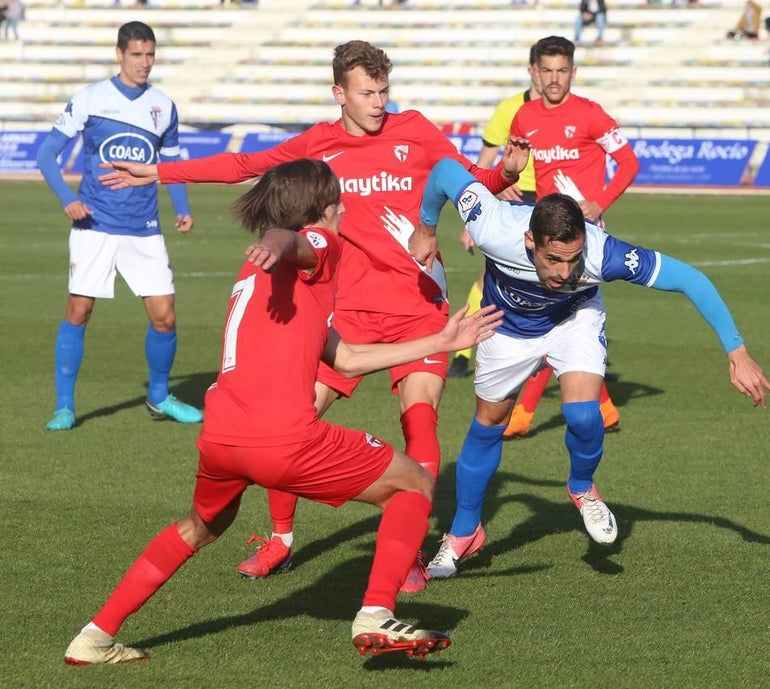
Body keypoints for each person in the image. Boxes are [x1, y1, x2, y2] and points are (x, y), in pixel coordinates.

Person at [99, 40, 526, 589]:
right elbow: (243, 165)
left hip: (419, 304)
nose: (378, 102)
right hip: (346, 310)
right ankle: (281, 538)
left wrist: (507, 174)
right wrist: (160, 173)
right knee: (296, 418)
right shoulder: (317, 145)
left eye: (383, 91)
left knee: (420, 418)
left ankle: (412, 551)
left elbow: (472, 182)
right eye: (366, 92)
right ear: (338, 94)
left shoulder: (415, 129)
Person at [62, 159, 504, 666]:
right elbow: (296, 241)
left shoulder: (256, 274)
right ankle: (377, 613)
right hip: (283, 440)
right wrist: (278, 240)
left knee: (198, 528)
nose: (343, 206)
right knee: (414, 484)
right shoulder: (318, 244)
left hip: (222, 440)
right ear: (320, 208)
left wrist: (441, 340)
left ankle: (95, 636)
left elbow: (347, 357)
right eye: (336, 198)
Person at [413, 159, 770, 578]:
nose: (566, 272)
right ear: (530, 240)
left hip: (574, 321)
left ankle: (582, 488)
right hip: (506, 326)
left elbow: (690, 279)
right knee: (488, 424)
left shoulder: (603, 254)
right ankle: (464, 533)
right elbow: (443, 171)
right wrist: (426, 228)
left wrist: (737, 351)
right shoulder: (492, 224)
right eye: (554, 259)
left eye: (574, 260)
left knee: (584, 414)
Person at [35, 22, 201, 433]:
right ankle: (65, 407)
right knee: (79, 310)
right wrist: (67, 199)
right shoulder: (92, 98)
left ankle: (159, 396)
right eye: (137, 55)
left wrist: (181, 206)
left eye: (150, 55)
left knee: (165, 317)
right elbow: (46, 154)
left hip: (144, 227)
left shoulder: (163, 106)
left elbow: (172, 166)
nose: (144, 63)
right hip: (95, 225)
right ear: (120, 54)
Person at [502, 35, 638, 439]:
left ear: (573, 72)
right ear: (534, 72)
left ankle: (522, 415)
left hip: (583, 238)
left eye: (562, 70)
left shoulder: (592, 115)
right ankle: (607, 410)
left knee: (549, 322)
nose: (555, 78)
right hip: (545, 239)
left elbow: (629, 163)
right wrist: (504, 181)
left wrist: (600, 201)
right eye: (547, 70)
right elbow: (516, 161)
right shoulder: (524, 116)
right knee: (560, 318)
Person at [448, 49, 545, 382]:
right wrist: (472, 216)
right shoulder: (509, 109)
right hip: (515, 200)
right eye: (542, 69)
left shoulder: (568, 112)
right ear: (533, 69)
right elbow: (483, 162)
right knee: (491, 278)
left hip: (551, 203)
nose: (548, 77)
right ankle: (463, 352)